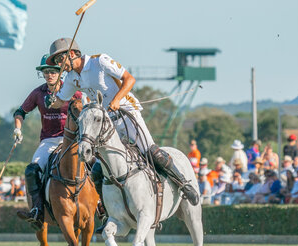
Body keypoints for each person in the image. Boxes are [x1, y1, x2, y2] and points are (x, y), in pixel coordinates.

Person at [44, 38, 199, 211]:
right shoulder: (72, 78)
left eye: (60, 60)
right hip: (107, 124)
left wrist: (117, 100)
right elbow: (60, 101)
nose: (60, 65)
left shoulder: (99, 61)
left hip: (126, 113)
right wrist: (51, 100)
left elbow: (129, 79)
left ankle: (184, 184)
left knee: (152, 152)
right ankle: (106, 209)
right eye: (57, 62)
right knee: (97, 169)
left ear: (71, 54)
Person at [15, 53, 83, 230]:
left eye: (53, 71)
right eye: (46, 72)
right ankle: (37, 210)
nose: (49, 75)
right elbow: (20, 111)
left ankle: (100, 206)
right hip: (49, 141)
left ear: (60, 73)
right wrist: (17, 129)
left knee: (96, 164)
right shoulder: (38, 93)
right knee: (32, 170)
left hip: (72, 140)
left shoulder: (72, 92)